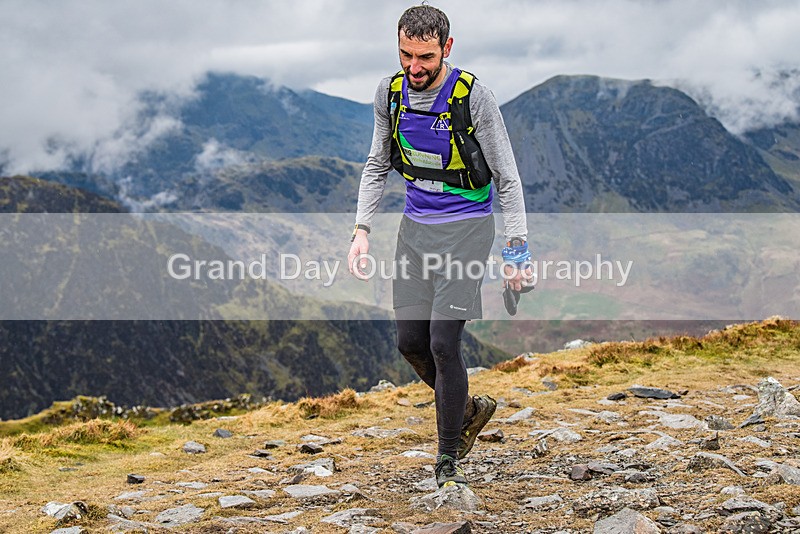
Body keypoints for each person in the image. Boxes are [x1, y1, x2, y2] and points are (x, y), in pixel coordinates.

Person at [347, 4, 531, 488]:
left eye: (425, 57)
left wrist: (516, 252)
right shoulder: (390, 94)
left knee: (443, 344)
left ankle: (447, 460)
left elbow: (508, 180)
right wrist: (362, 231)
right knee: (410, 343)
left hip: (468, 232)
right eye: (405, 54)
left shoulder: (473, 97)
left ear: (447, 48)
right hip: (415, 231)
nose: (414, 67)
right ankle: (467, 410)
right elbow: (377, 164)